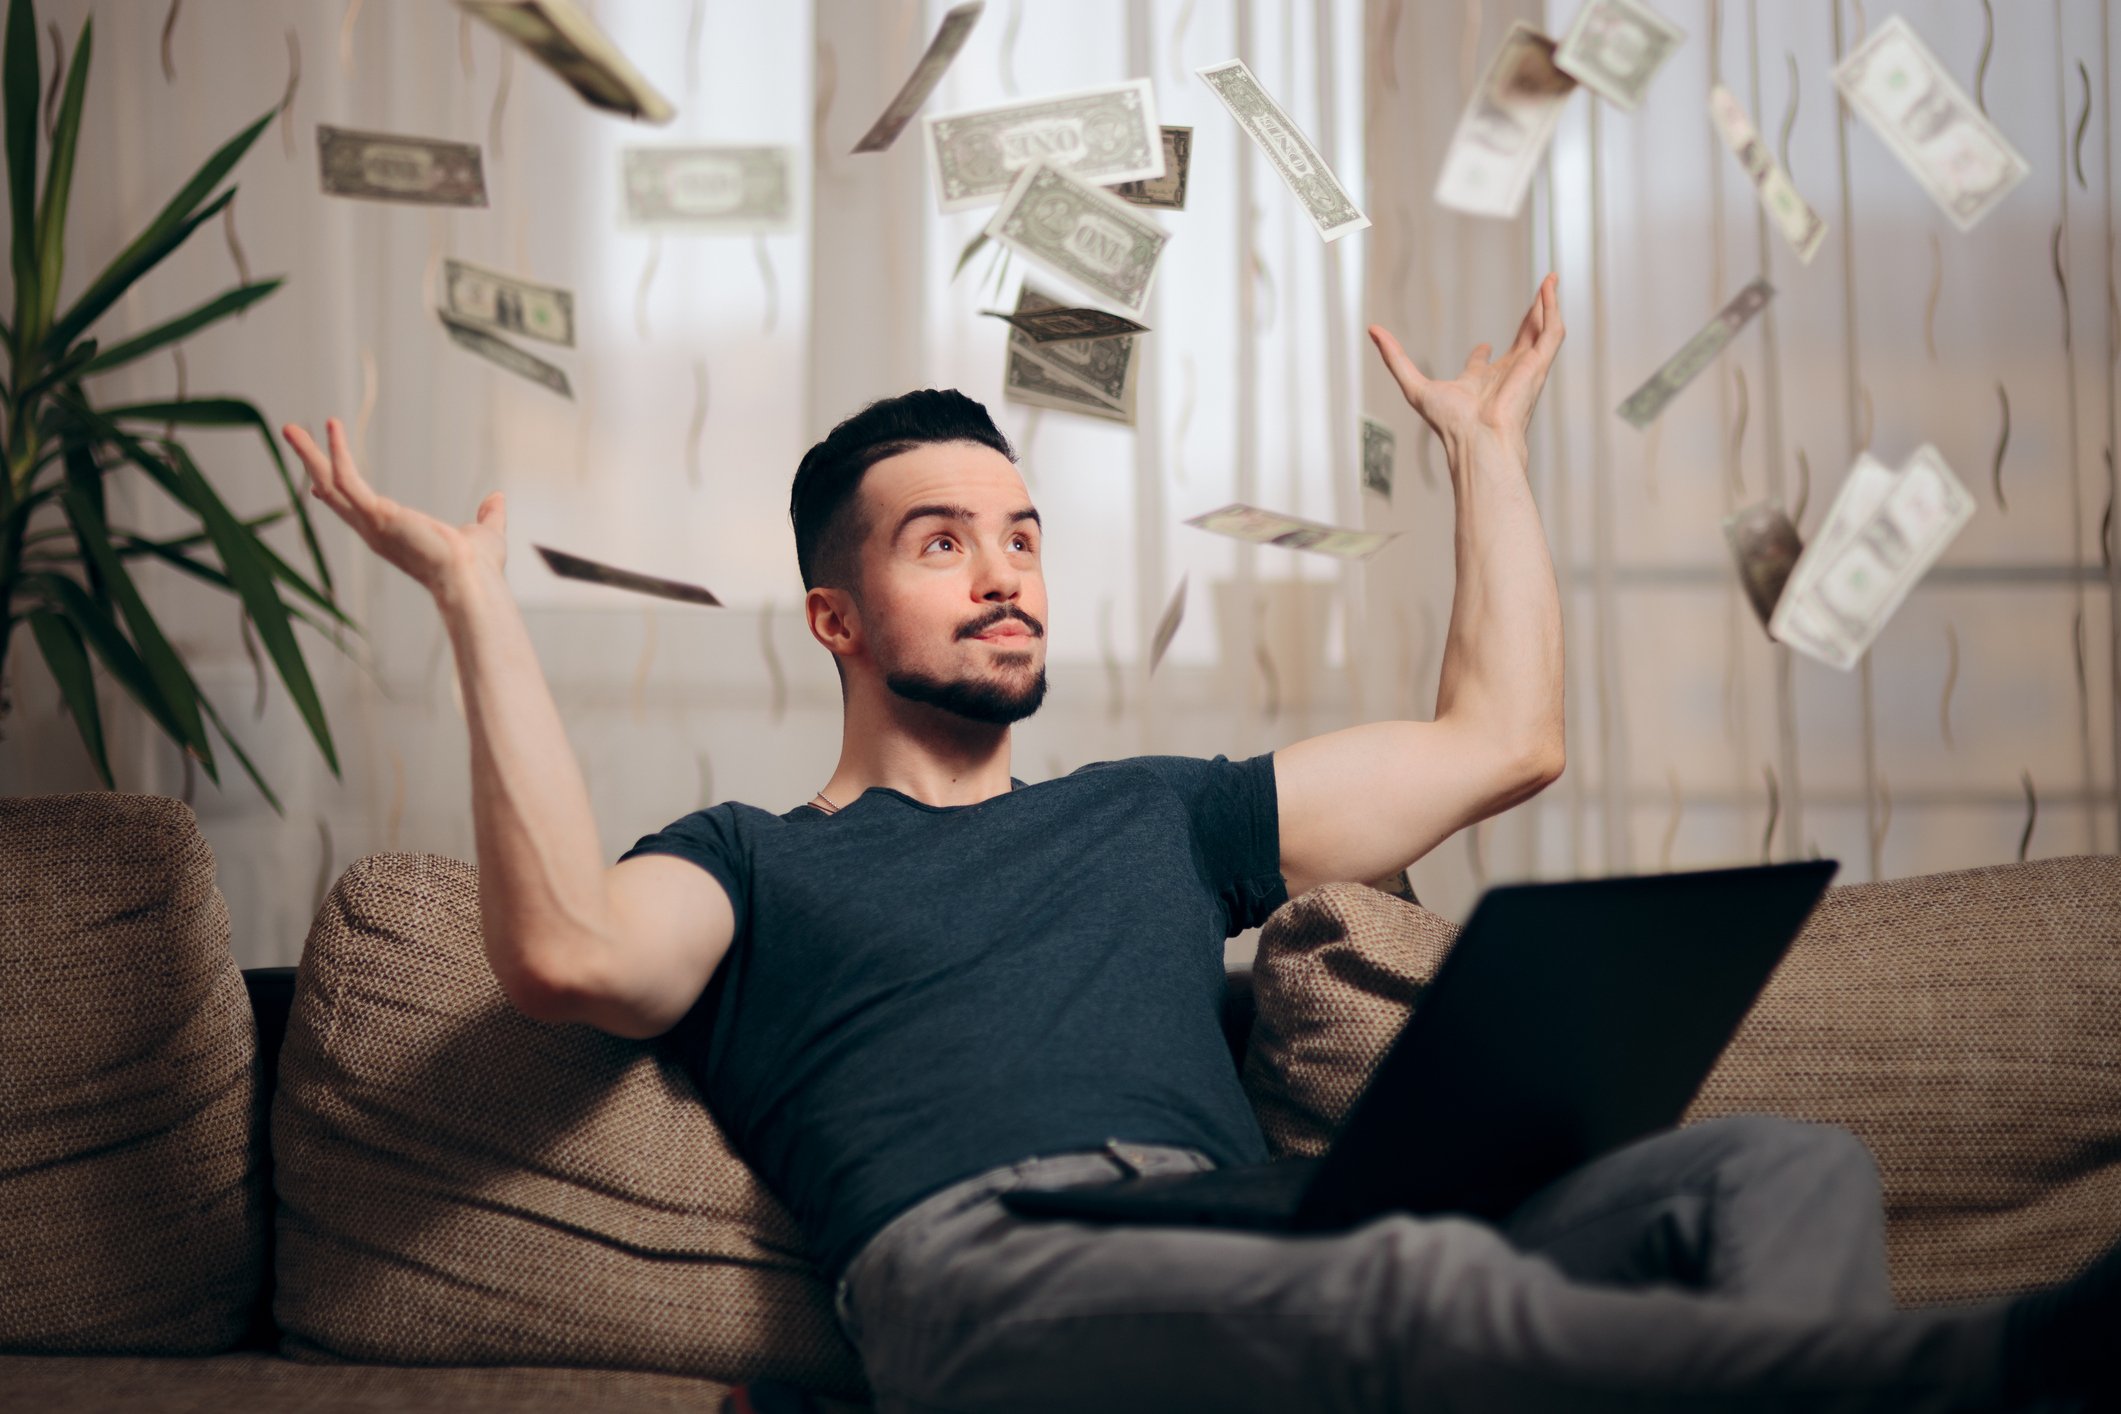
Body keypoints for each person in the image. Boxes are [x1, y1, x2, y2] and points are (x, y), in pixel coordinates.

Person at [282, 274, 2114, 1413]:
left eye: (1020, 530)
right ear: (833, 616)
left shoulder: (1156, 810)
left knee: (1777, 1171)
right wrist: (473, 600)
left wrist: (1482, 451)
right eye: (940, 540)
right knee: (1420, 1286)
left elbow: (1504, 740)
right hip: (985, 1269)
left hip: (1271, 1225)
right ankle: (2010, 1364)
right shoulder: (752, 859)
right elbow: (568, 957)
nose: (1005, 568)